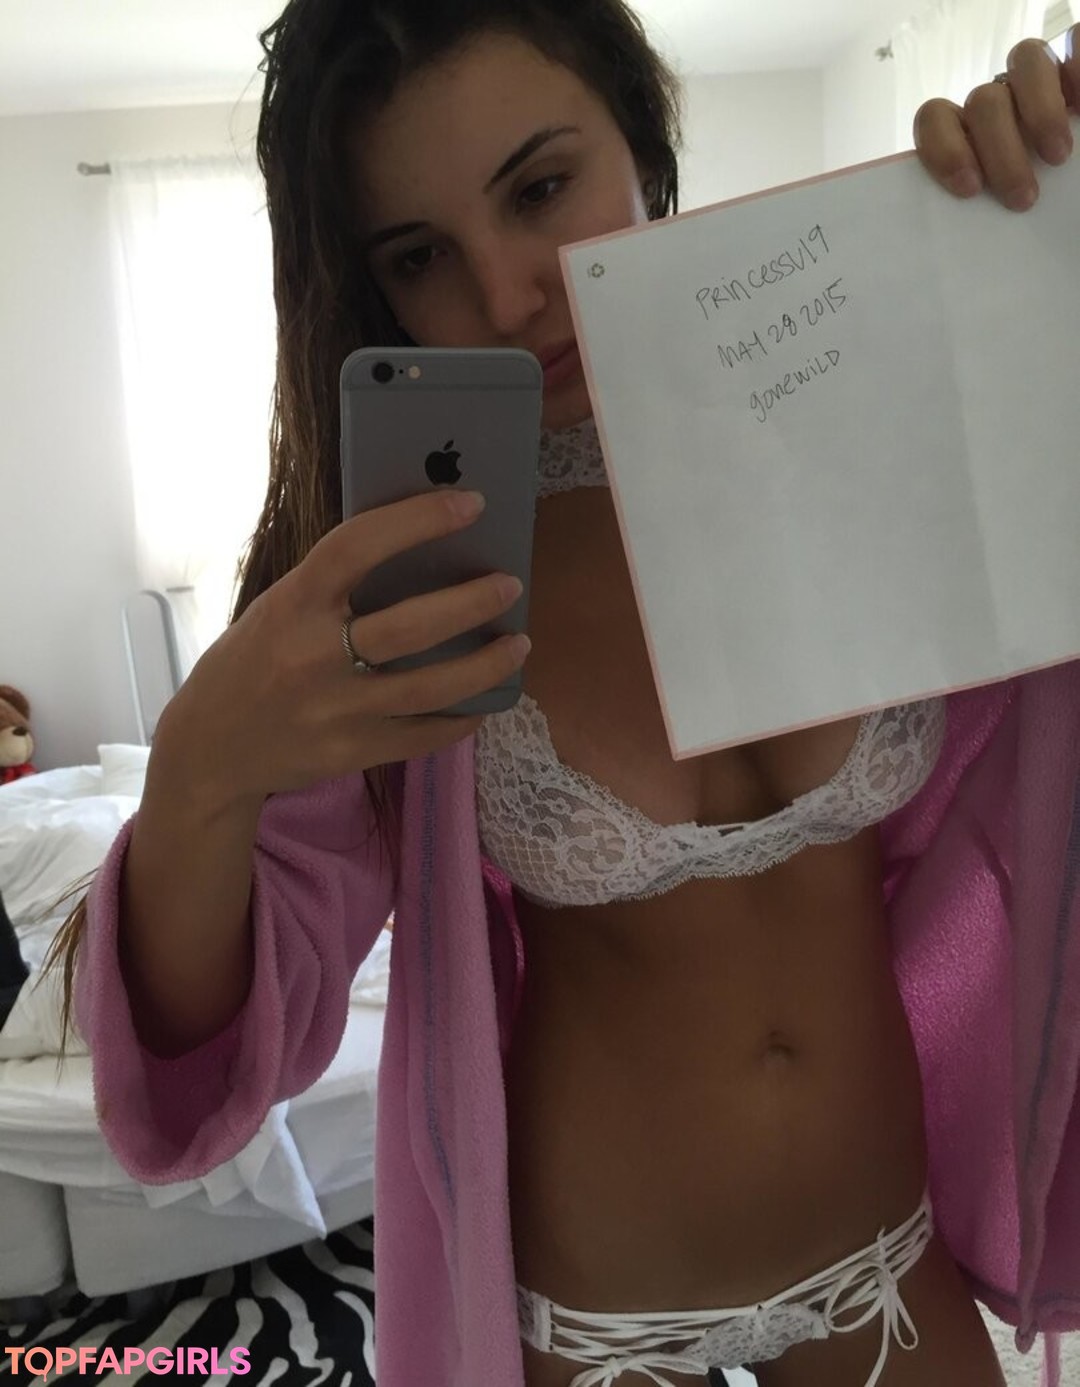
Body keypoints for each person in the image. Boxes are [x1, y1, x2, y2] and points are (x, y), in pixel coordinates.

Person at [46, 3, 1080, 1385]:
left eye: (540, 188)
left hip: (880, 1271)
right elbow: (208, 1049)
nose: (506, 296)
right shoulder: (411, 573)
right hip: (594, 1328)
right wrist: (198, 770)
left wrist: (1045, 246)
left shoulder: (864, 430)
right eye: (421, 255)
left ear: (644, 141)